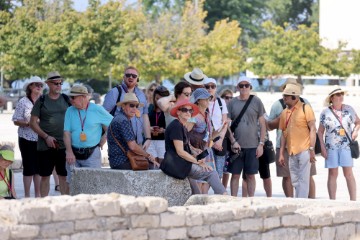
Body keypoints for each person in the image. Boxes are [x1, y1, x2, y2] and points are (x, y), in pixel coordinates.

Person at [161, 99, 227, 195]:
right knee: (211, 173)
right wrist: (197, 162)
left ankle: (197, 204)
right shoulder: (176, 126)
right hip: (178, 165)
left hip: (180, 164)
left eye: (190, 110)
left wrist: (195, 151)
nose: (188, 112)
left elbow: (184, 147)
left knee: (195, 190)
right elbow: (180, 152)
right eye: (184, 110)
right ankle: (224, 197)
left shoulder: (181, 125)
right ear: (178, 112)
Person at [266, 78, 317, 198]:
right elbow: (277, 129)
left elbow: (313, 128)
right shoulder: (281, 108)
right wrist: (282, 153)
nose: (284, 97)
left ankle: (306, 201)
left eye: (287, 95)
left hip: (304, 148)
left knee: (306, 177)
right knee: (291, 178)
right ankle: (293, 201)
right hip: (288, 149)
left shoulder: (306, 106)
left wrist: (311, 149)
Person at [30, 71, 70, 197]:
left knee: (63, 176)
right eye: (55, 83)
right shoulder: (41, 100)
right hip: (45, 145)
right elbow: (32, 123)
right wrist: (46, 136)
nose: (58, 85)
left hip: (63, 145)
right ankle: (43, 204)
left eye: (60, 83)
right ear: (48, 84)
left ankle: (65, 204)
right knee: (45, 176)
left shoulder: (66, 99)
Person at [63, 85, 112, 184]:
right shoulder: (70, 110)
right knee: (73, 184)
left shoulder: (97, 109)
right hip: (73, 153)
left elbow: (113, 124)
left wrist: (104, 137)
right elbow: (66, 132)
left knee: (93, 184)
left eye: (73, 97)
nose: (70, 100)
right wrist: (69, 152)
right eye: (70, 97)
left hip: (92, 154)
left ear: (83, 97)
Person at [318, 87, 360, 201]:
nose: (341, 96)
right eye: (338, 94)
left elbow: (358, 122)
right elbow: (320, 132)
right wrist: (322, 147)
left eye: (342, 94)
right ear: (332, 98)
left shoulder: (349, 109)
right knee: (332, 173)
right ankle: (332, 200)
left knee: (349, 173)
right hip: (330, 147)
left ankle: (353, 201)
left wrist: (356, 131)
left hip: (346, 146)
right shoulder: (325, 112)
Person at [227, 76, 266, 197]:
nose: (244, 88)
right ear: (237, 87)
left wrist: (261, 144)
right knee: (235, 175)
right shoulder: (232, 103)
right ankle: (233, 200)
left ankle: (251, 200)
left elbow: (263, 124)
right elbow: (226, 125)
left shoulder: (257, 101)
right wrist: (233, 141)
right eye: (241, 85)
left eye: (246, 85)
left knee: (250, 175)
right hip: (236, 146)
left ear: (250, 87)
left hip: (253, 145)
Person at [103, 66, 151, 150]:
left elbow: (145, 116)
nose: (131, 77)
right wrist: (110, 135)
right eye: (128, 75)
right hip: (119, 144)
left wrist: (148, 138)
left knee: (141, 163)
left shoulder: (141, 95)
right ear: (123, 77)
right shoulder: (115, 92)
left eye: (134, 76)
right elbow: (103, 115)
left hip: (138, 143)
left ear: (137, 79)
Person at [107, 93, 158, 170]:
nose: (134, 108)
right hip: (122, 161)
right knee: (155, 167)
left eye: (136, 106)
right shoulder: (123, 120)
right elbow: (133, 146)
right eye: (131, 105)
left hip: (118, 161)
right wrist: (148, 156)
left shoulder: (120, 118)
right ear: (123, 106)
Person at [12, 76, 44, 198]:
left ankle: (38, 195)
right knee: (29, 168)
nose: (39, 87)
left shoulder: (43, 100)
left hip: (41, 138)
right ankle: (27, 196)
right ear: (30, 86)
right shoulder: (23, 102)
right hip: (26, 138)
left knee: (39, 168)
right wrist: (29, 124)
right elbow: (15, 120)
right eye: (36, 84)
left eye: (41, 85)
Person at [188, 88, 219, 194]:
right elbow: (186, 134)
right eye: (205, 98)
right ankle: (199, 201)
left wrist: (222, 129)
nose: (208, 100)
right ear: (198, 100)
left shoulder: (207, 114)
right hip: (197, 151)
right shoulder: (193, 115)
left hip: (207, 151)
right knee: (198, 179)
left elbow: (211, 136)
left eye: (209, 98)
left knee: (208, 179)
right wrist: (192, 149)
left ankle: (204, 201)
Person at [203, 78, 229, 182]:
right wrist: (210, 142)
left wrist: (220, 140)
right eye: (207, 86)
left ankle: (216, 196)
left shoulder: (221, 102)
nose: (210, 89)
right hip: (205, 140)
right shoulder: (201, 102)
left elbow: (225, 122)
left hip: (219, 140)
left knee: (218, 173)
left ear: (216, 88)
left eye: (212, 86)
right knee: (206, 172)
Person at [147, 86, 170, 166]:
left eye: (162, 99)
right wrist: (148, 128)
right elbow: (143, 124)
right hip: (150, 141)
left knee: (162, 165)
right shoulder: (150, 108)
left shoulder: (168, 110)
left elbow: (172, 128)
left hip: (163, 141)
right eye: (157, 98)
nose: (159, 101)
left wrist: (163, 130)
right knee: (152, 165)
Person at [220, 89, 234, 188]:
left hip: (230, 141)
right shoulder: (219, 108)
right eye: (226, 97)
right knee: (219, 167)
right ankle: (219, 189)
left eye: (230, 97)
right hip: (221, 140)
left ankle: (224, 189)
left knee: (227, 169)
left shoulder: (233, 109)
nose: (228, 99)